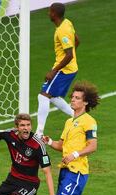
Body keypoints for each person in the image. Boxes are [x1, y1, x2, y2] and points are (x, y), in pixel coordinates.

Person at [43, 81, 101, 195]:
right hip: (66, 169)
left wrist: (75, 154)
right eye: (73, 97)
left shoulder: (89, 122)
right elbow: (62, 146)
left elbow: (93, 146)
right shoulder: (69, 121)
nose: (73, 100)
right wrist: (50, 142)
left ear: (85, 102)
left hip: (77, 171)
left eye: (77, 98)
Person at [36, 2, 80, 137]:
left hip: (64, 70)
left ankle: (39, 132)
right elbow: (77, 41)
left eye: (50, 11)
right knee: (53, 97)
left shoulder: (62, 30)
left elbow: (69, 54)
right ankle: (77, 116)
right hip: (69, 68)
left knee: (43, 95)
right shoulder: (67, 23)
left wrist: (54, 70)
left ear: (54, 14)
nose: (48, 13)